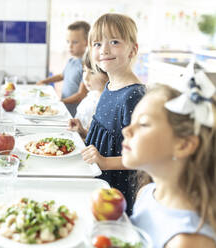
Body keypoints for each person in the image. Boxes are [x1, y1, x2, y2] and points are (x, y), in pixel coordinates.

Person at [122, 81, 216, 247]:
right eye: (131, 121)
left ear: (184, 145)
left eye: (143, 123)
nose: (126, 130)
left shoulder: (188, 241)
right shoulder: (146, 194)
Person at [69, 13, 145, 215]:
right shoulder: (110, 86)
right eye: (97, 43)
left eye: (114, 41)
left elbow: (141, 156)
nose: (104, 50)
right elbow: (108, 137)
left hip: (114, 188)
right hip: (96, 176)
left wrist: (103, 162)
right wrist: (84, 132)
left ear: (133, 49)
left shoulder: (134, 96)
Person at [36, 21, 90, 117]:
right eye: (68, 42)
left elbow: (81, 95)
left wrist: (60, 102)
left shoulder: (86, 65)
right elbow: (62, 75)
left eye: (75, 42)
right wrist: (44, 81)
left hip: (77, 113)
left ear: (86, 42)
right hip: (66, 109)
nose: (70, 46)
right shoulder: (71, 61)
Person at [74, 49, 108, 131]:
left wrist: (82, 132)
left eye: (92, 72)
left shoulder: (104, 103)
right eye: (84, 70)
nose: (85, 77)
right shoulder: (92, 94)